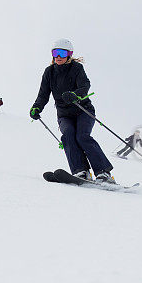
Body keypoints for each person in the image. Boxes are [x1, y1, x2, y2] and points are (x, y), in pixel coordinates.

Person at [29, 39, 115, 183]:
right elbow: (43, 94)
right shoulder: (49, 72)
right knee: (68, 135)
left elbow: (85, 85)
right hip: (64, 114)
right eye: (55, 53)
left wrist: (76, 95)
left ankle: (103, 173)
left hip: (83, 110)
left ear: (69, 54)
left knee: (82, 136)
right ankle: (81, 171)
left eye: (62, 53)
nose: (58, 56)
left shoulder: (76, 68)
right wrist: (37, 107)